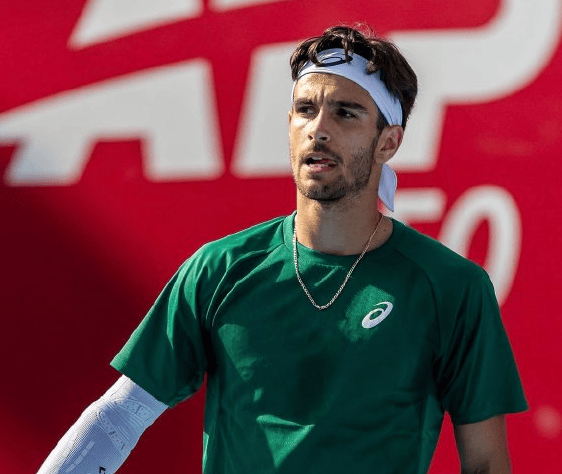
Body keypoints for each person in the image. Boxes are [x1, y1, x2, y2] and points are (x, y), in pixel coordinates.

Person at [38, 25, 527, 474]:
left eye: (346, 112)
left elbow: (486, 463)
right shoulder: (217, 269)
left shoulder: (453, 288)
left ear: (388, 142)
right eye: (306, 109)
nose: (319, 128)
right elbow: (118, 418)